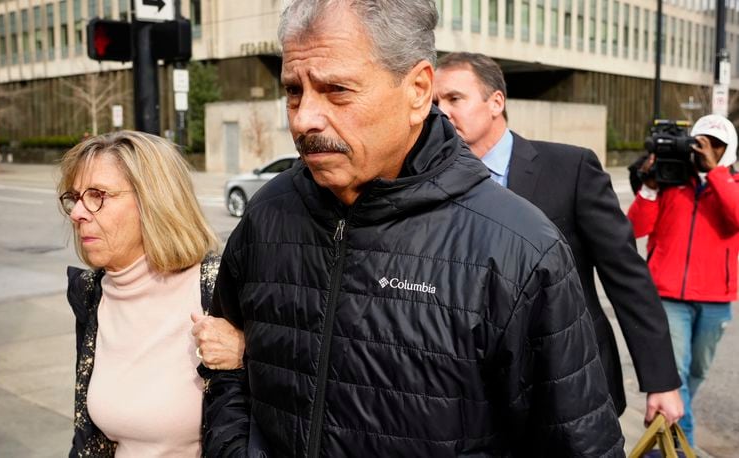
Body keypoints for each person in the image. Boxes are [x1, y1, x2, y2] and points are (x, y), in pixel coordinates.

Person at [201, 1, 624, 456]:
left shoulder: (519, 248)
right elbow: (228, 363)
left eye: (337, 90)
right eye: (293, 91)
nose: (304, 118)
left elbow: (579, 443)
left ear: (419, 90)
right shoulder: (268, 214)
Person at [432, 52, 684, 427]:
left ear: (496, 102)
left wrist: (661, 381)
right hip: (469, 393)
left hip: (570, 384)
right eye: (435, 102)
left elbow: (626, 277)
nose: (441, 112)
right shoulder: (429, 180)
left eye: (454, 98)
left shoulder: (570, 169)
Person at [58, 130, 244, 457]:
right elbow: (90, 438)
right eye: (75, 197)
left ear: (153, 200)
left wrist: (248, 352)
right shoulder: (91, 294)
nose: (77, 213)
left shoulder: (221, 286)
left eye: (97, 195)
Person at [628, 114, 738, 444]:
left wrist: (715, 172)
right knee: (674, 377)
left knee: (695, 373)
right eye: (702, 142)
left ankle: (668, 422)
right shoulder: (672, 179)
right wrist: (649, 187)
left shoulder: (731, 183)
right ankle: (682, 442)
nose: (708, 150)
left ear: (728, 150)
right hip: (667, 295)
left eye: (716, 145)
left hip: (716, 299)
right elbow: (634, 229)